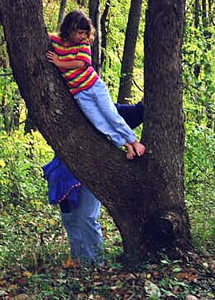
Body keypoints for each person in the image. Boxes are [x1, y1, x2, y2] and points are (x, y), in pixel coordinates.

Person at [43, 102, 144, 266]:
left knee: (86, 217)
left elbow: (134, 113)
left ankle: (95, 264)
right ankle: (79, 261)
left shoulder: (101, 107)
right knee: (70, 218)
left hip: (91, 172)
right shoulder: (61, 107)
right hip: (63, 173)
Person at [46, 9, 145, 160]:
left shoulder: (83, 44)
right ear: (69, 29)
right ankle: (127, 145)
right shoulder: (57, 41)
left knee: (111, 114)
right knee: (99, 122)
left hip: (93, 86)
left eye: (84, 33)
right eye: (79, 32)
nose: (82, 36)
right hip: (79, 93)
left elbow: (82, 63)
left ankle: (134, 141)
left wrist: (59, 62)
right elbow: (45, 36)